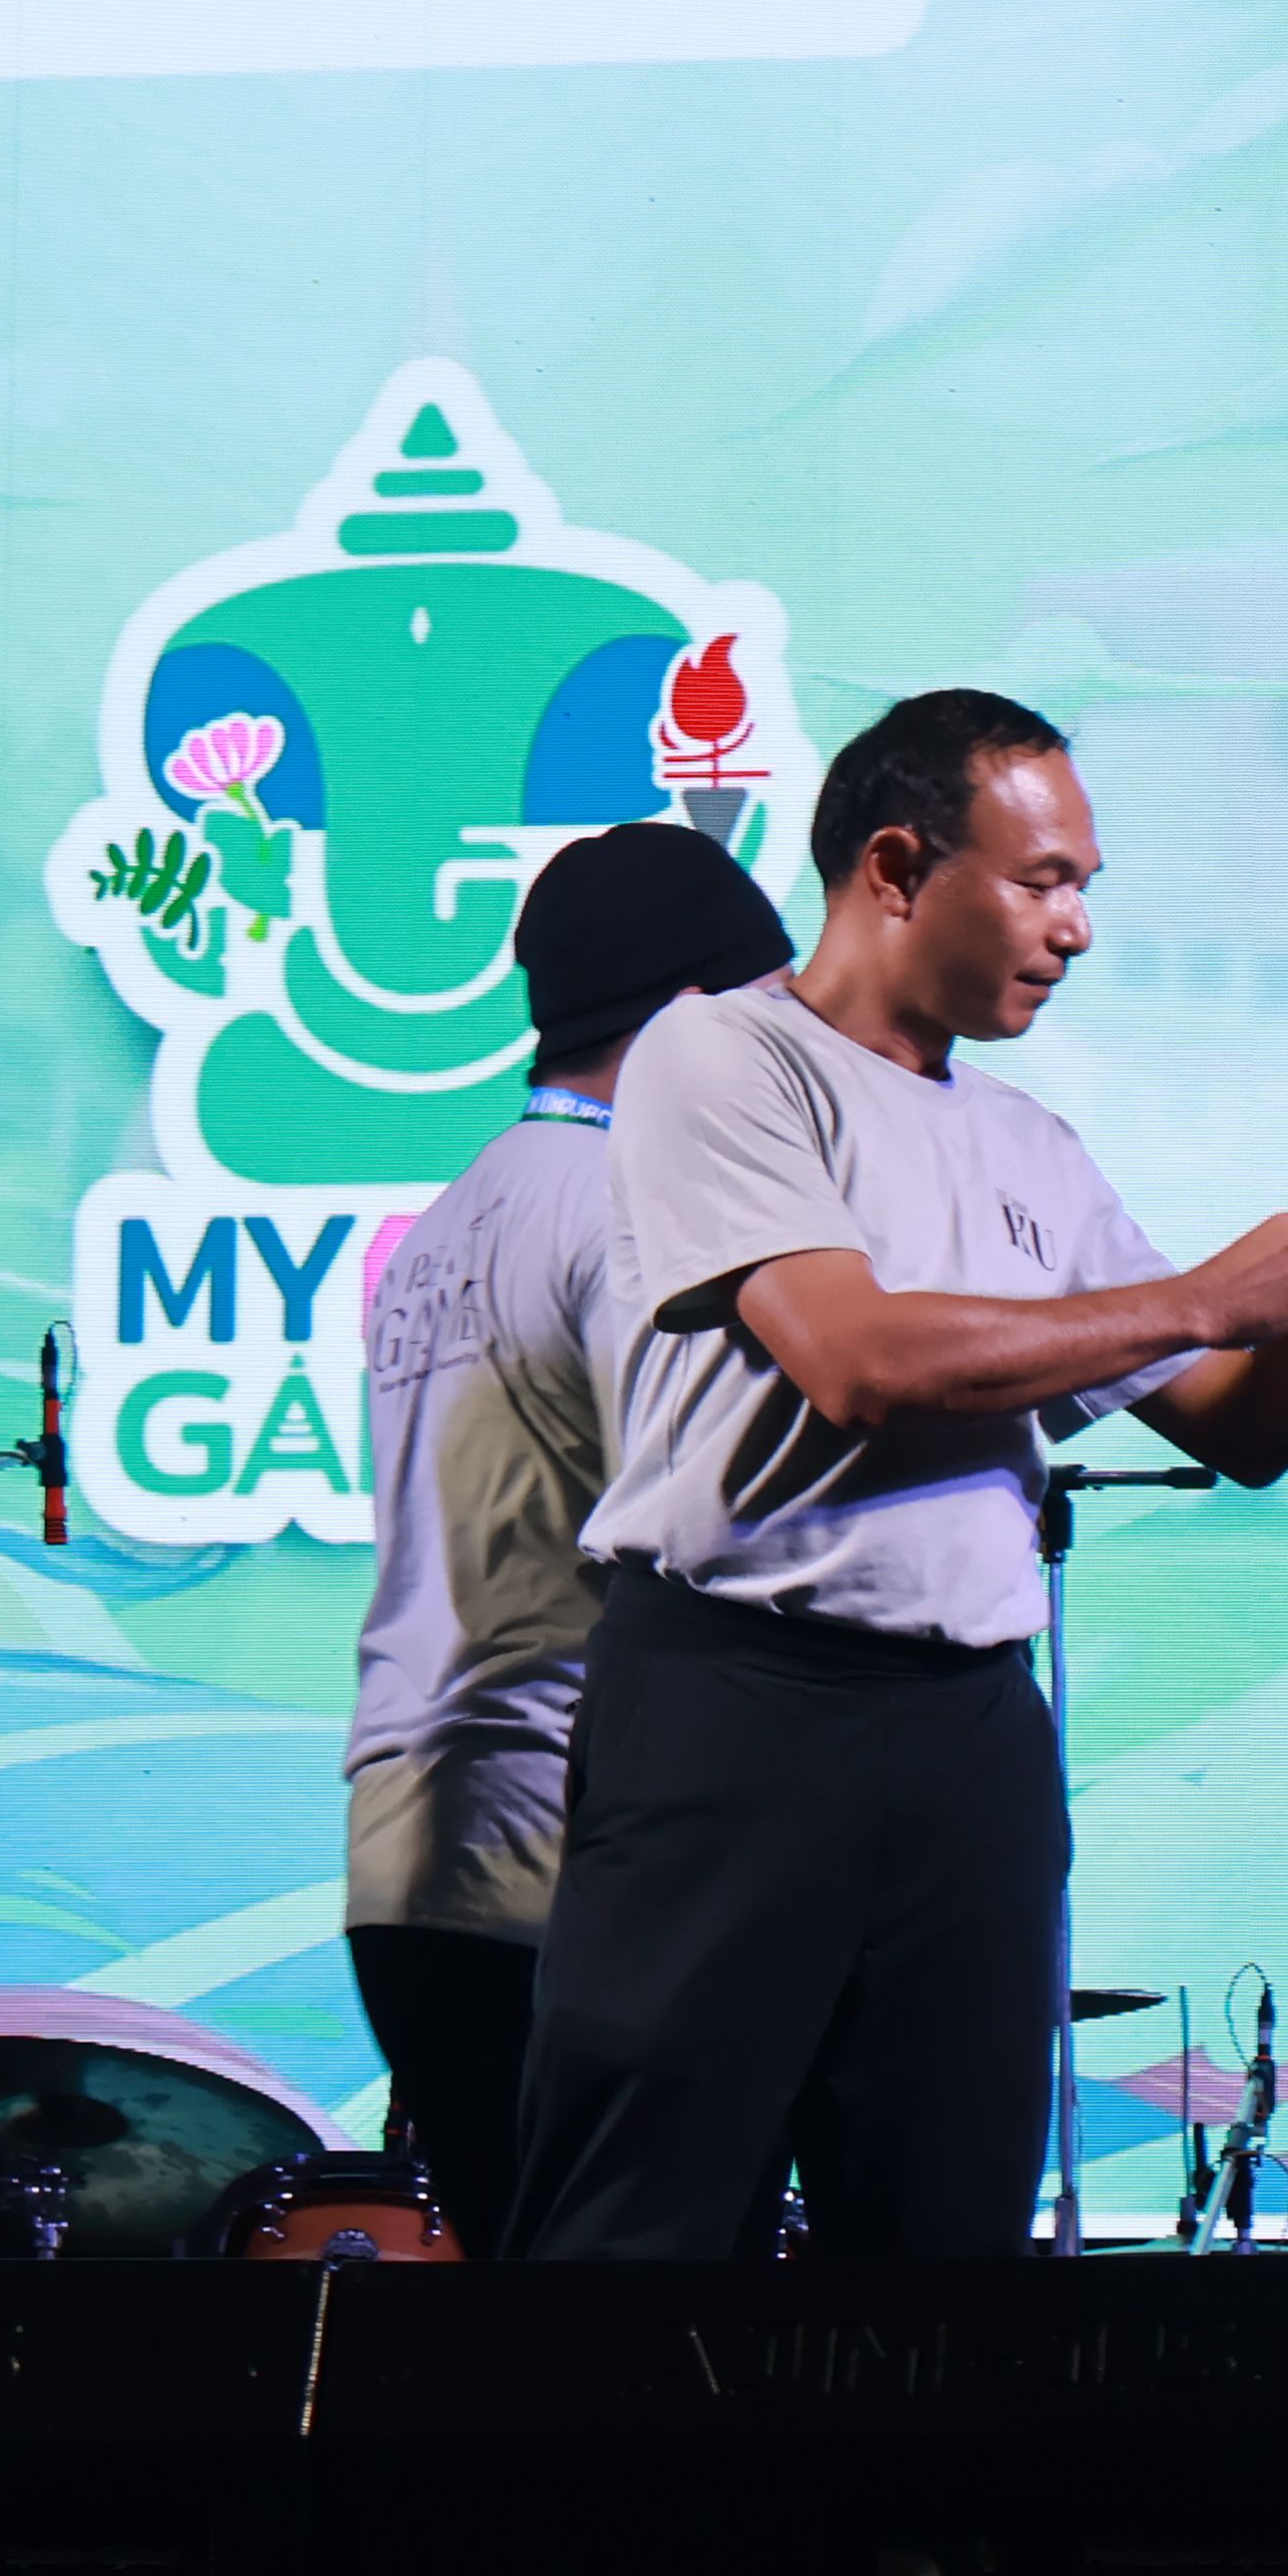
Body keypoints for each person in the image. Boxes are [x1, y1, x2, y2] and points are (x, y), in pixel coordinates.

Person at [503, 688, 1288, 2259]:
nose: (1075, 929)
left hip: (968, 1735)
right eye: (1042, 880)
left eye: (1086, 888)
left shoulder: (1030, 1143)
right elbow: (854, 1357)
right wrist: (1200, 1296)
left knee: (950, 2250)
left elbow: (1243, 1422)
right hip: (736, 1709)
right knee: (638, 2236)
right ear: (894, 867)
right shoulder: (721, 1055)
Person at [342, 821, 793, 2253]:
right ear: (688, 1018)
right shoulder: (633, 1212)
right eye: (766, 1015)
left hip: (404, 1847)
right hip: (566, 1853)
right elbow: (704, 1529)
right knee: (646, 2333)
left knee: (535, 2319)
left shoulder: (445, 1223)